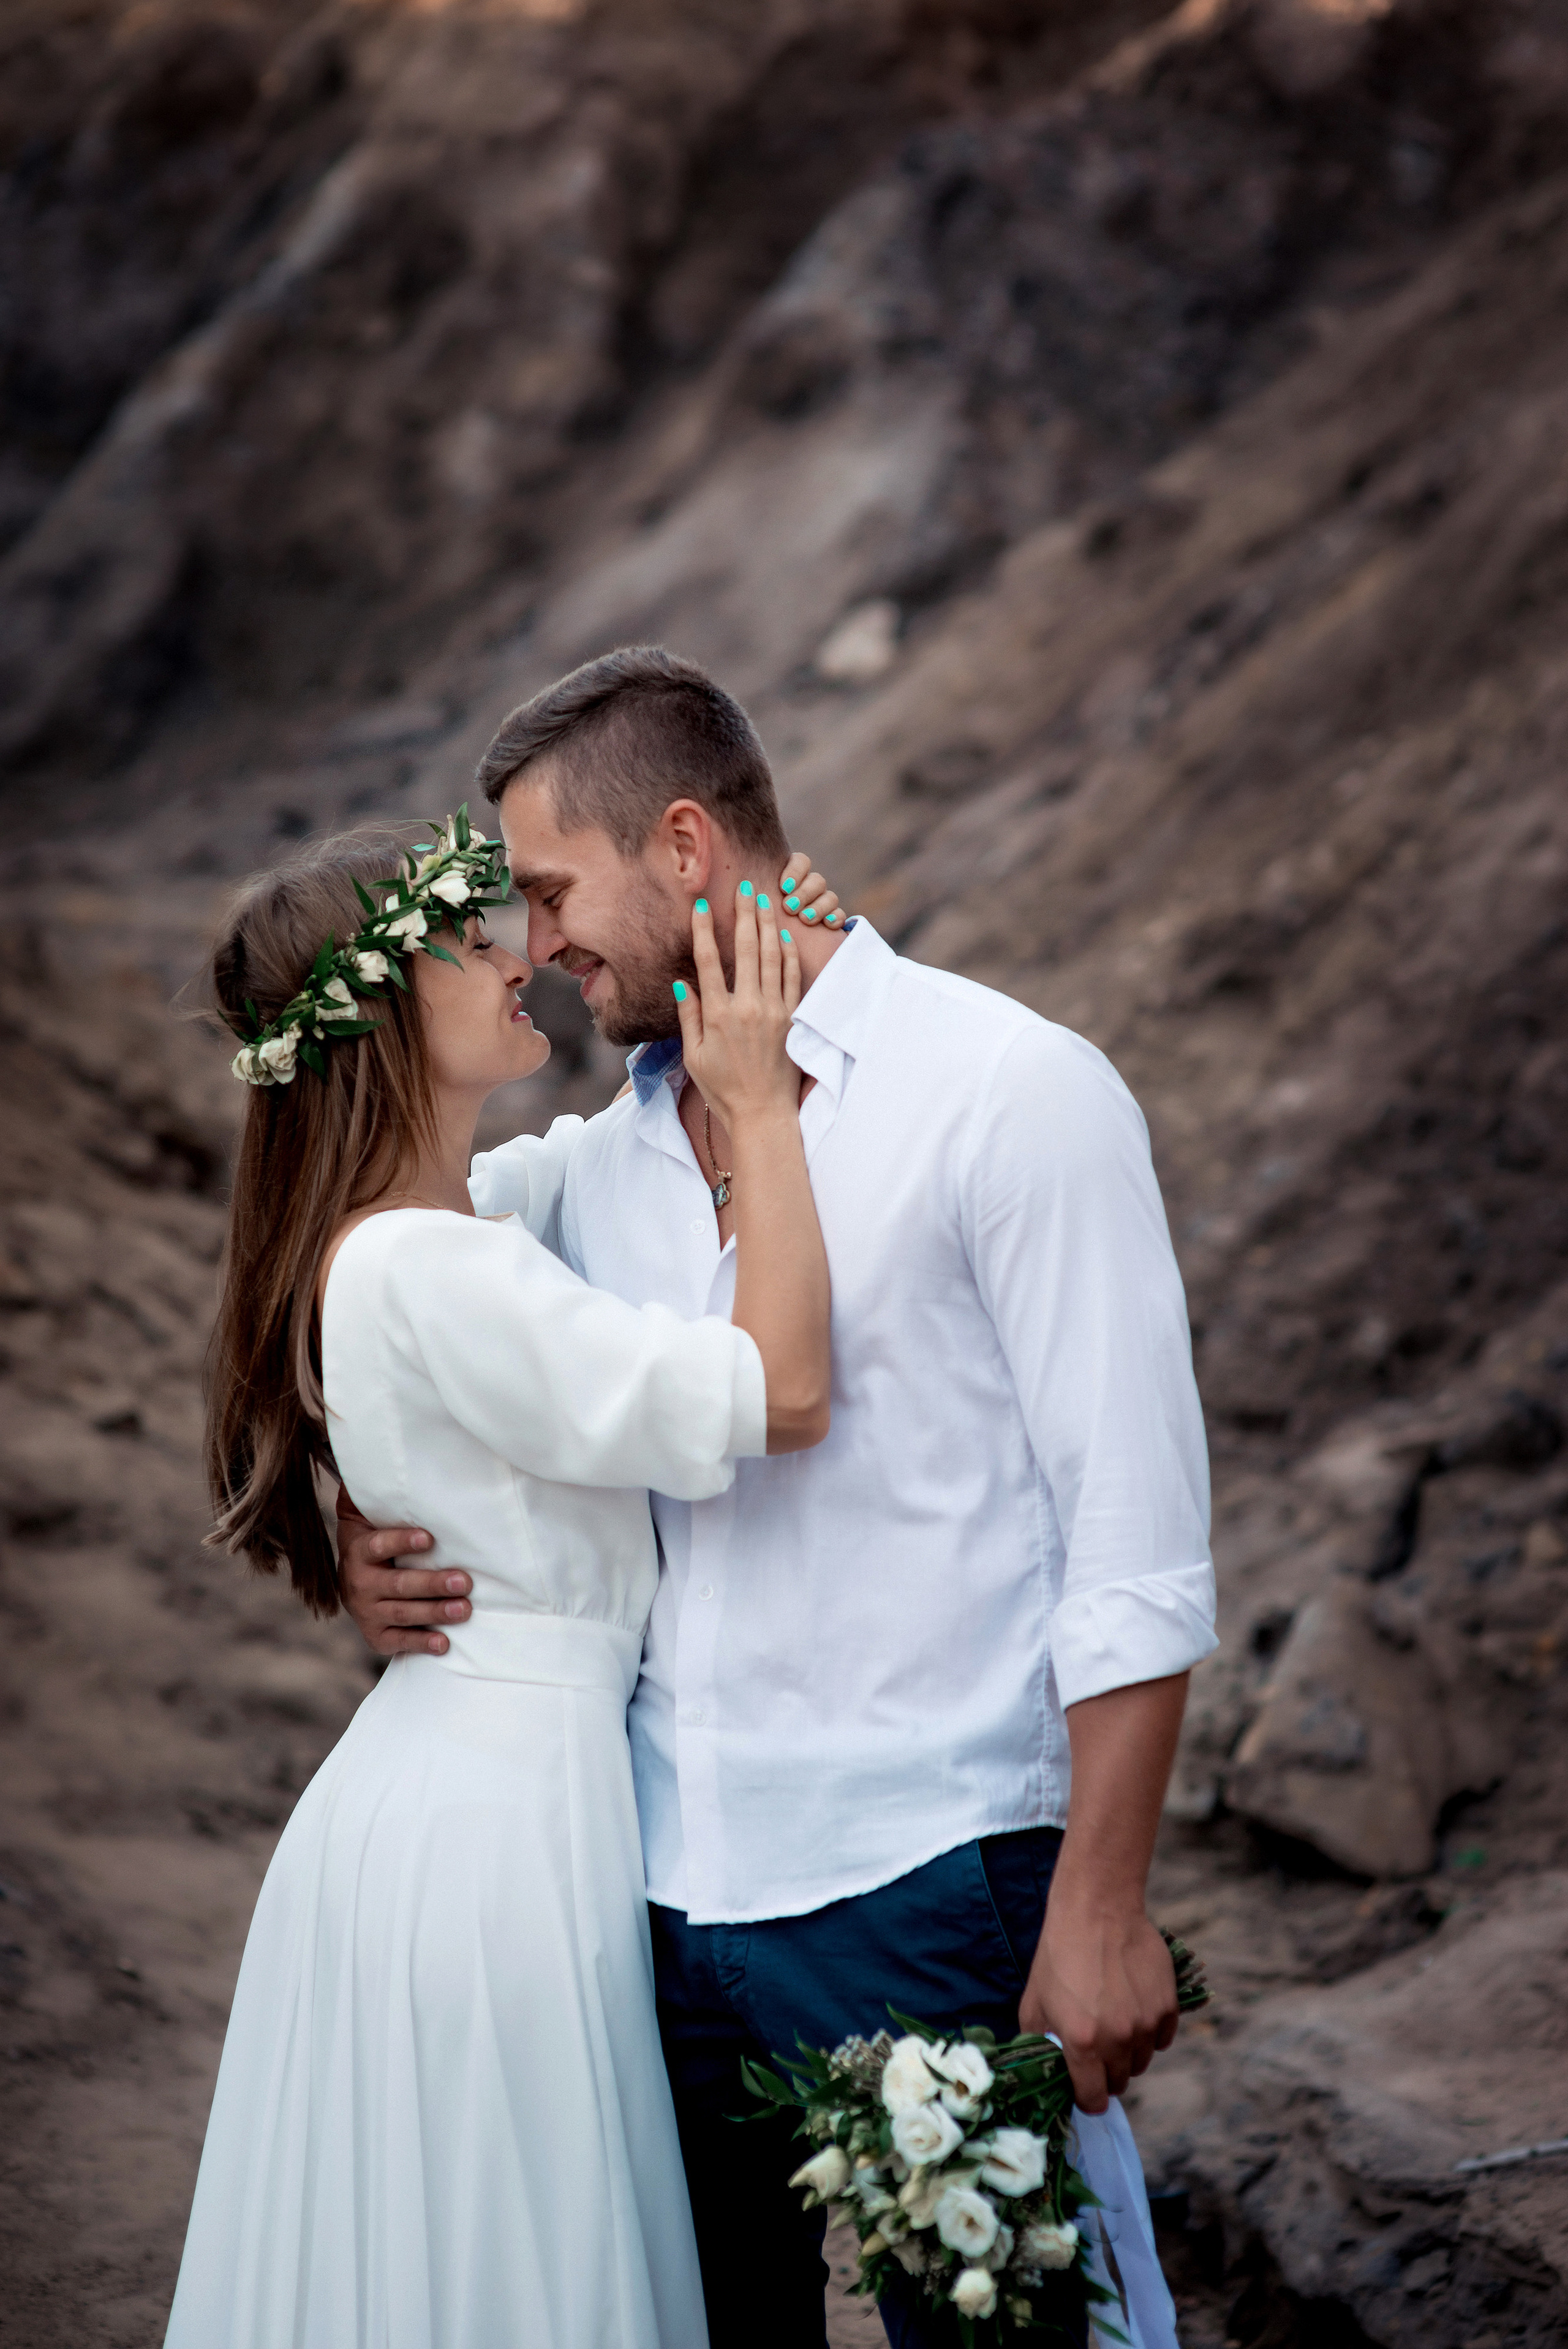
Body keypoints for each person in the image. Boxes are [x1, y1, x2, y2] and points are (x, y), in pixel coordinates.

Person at [338, 647, 1218, 2349]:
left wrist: (1101, 1904)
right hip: (657, 1915)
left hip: (934, 1880)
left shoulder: (1011, 1091)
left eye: (547, 892)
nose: (537, 948)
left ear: (682, 844)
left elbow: (1136, 1533)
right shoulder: (598, 1164)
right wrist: (353, 1541)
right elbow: (372, 1297)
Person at [165, 812, 832, 2349]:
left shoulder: (422, 1232)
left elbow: (579, 1167)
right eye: (474, 938)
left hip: (447, 1791)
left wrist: (755, 942)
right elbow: (779, 1390)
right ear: (382, 1014)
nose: (524, 951)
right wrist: (766, 1114)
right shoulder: (432, 1265)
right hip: (502, 1830)